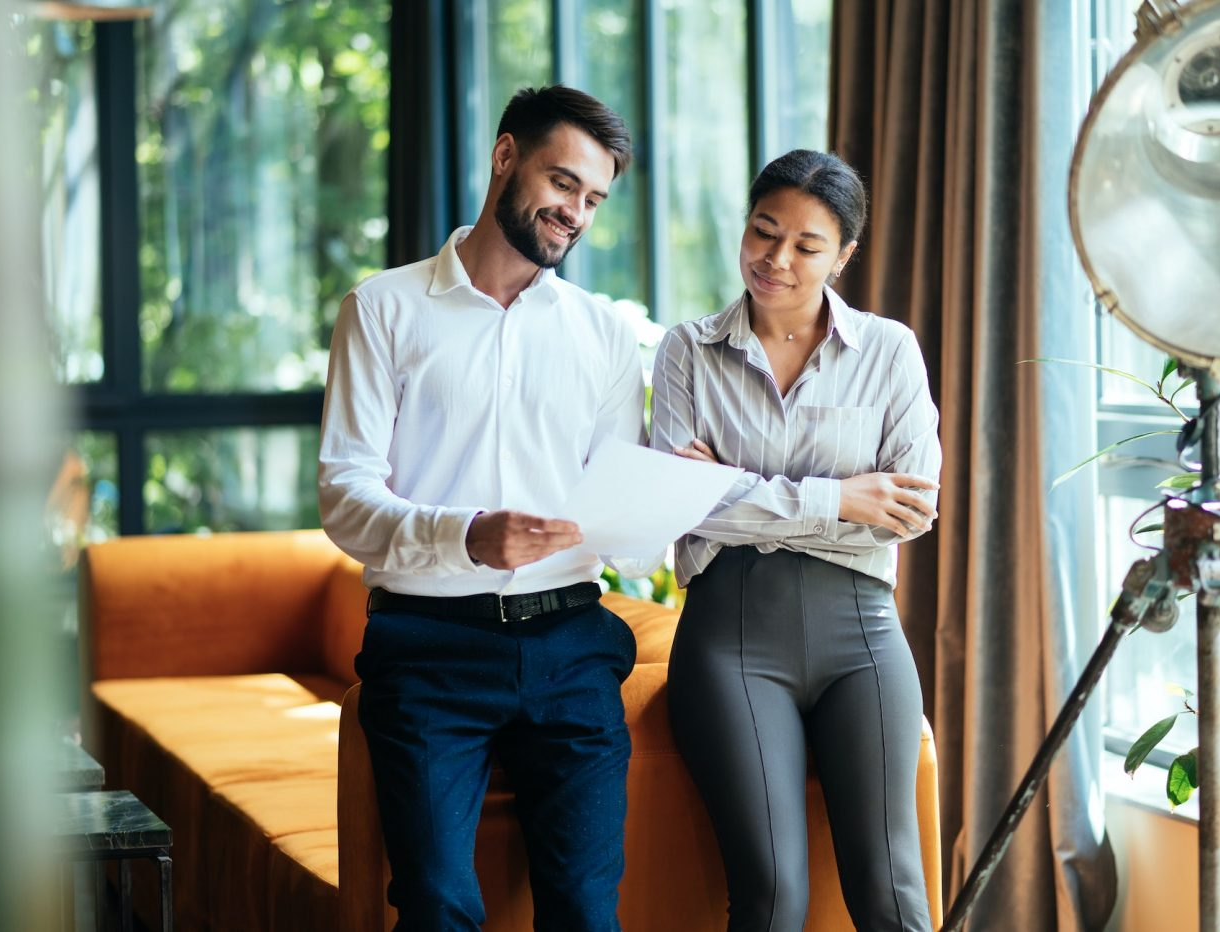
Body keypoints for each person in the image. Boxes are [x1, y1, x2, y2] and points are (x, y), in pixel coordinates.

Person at [319, 85, 648, 931]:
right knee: (437, 905)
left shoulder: (604, 335)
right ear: (505, 157)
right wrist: (466, 535)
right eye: (562, 183)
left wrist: (659, 496)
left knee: (584, 909)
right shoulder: (382, 309)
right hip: (427, 650)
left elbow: (616, 516)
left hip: (573, 645)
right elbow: (345, 499)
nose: (575, 212)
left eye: (593, 199)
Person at [650, 149, 941, 932]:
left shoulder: (888, 351)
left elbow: (914, 507)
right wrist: (842, 497)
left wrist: (735, 488)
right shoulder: (687, 351)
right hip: (729, 640)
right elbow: (681, 507)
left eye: (807, 246)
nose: (775, 259)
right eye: (762, 231)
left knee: (894, 899)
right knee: (773, 899)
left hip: (864, 638)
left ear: (842, 256)